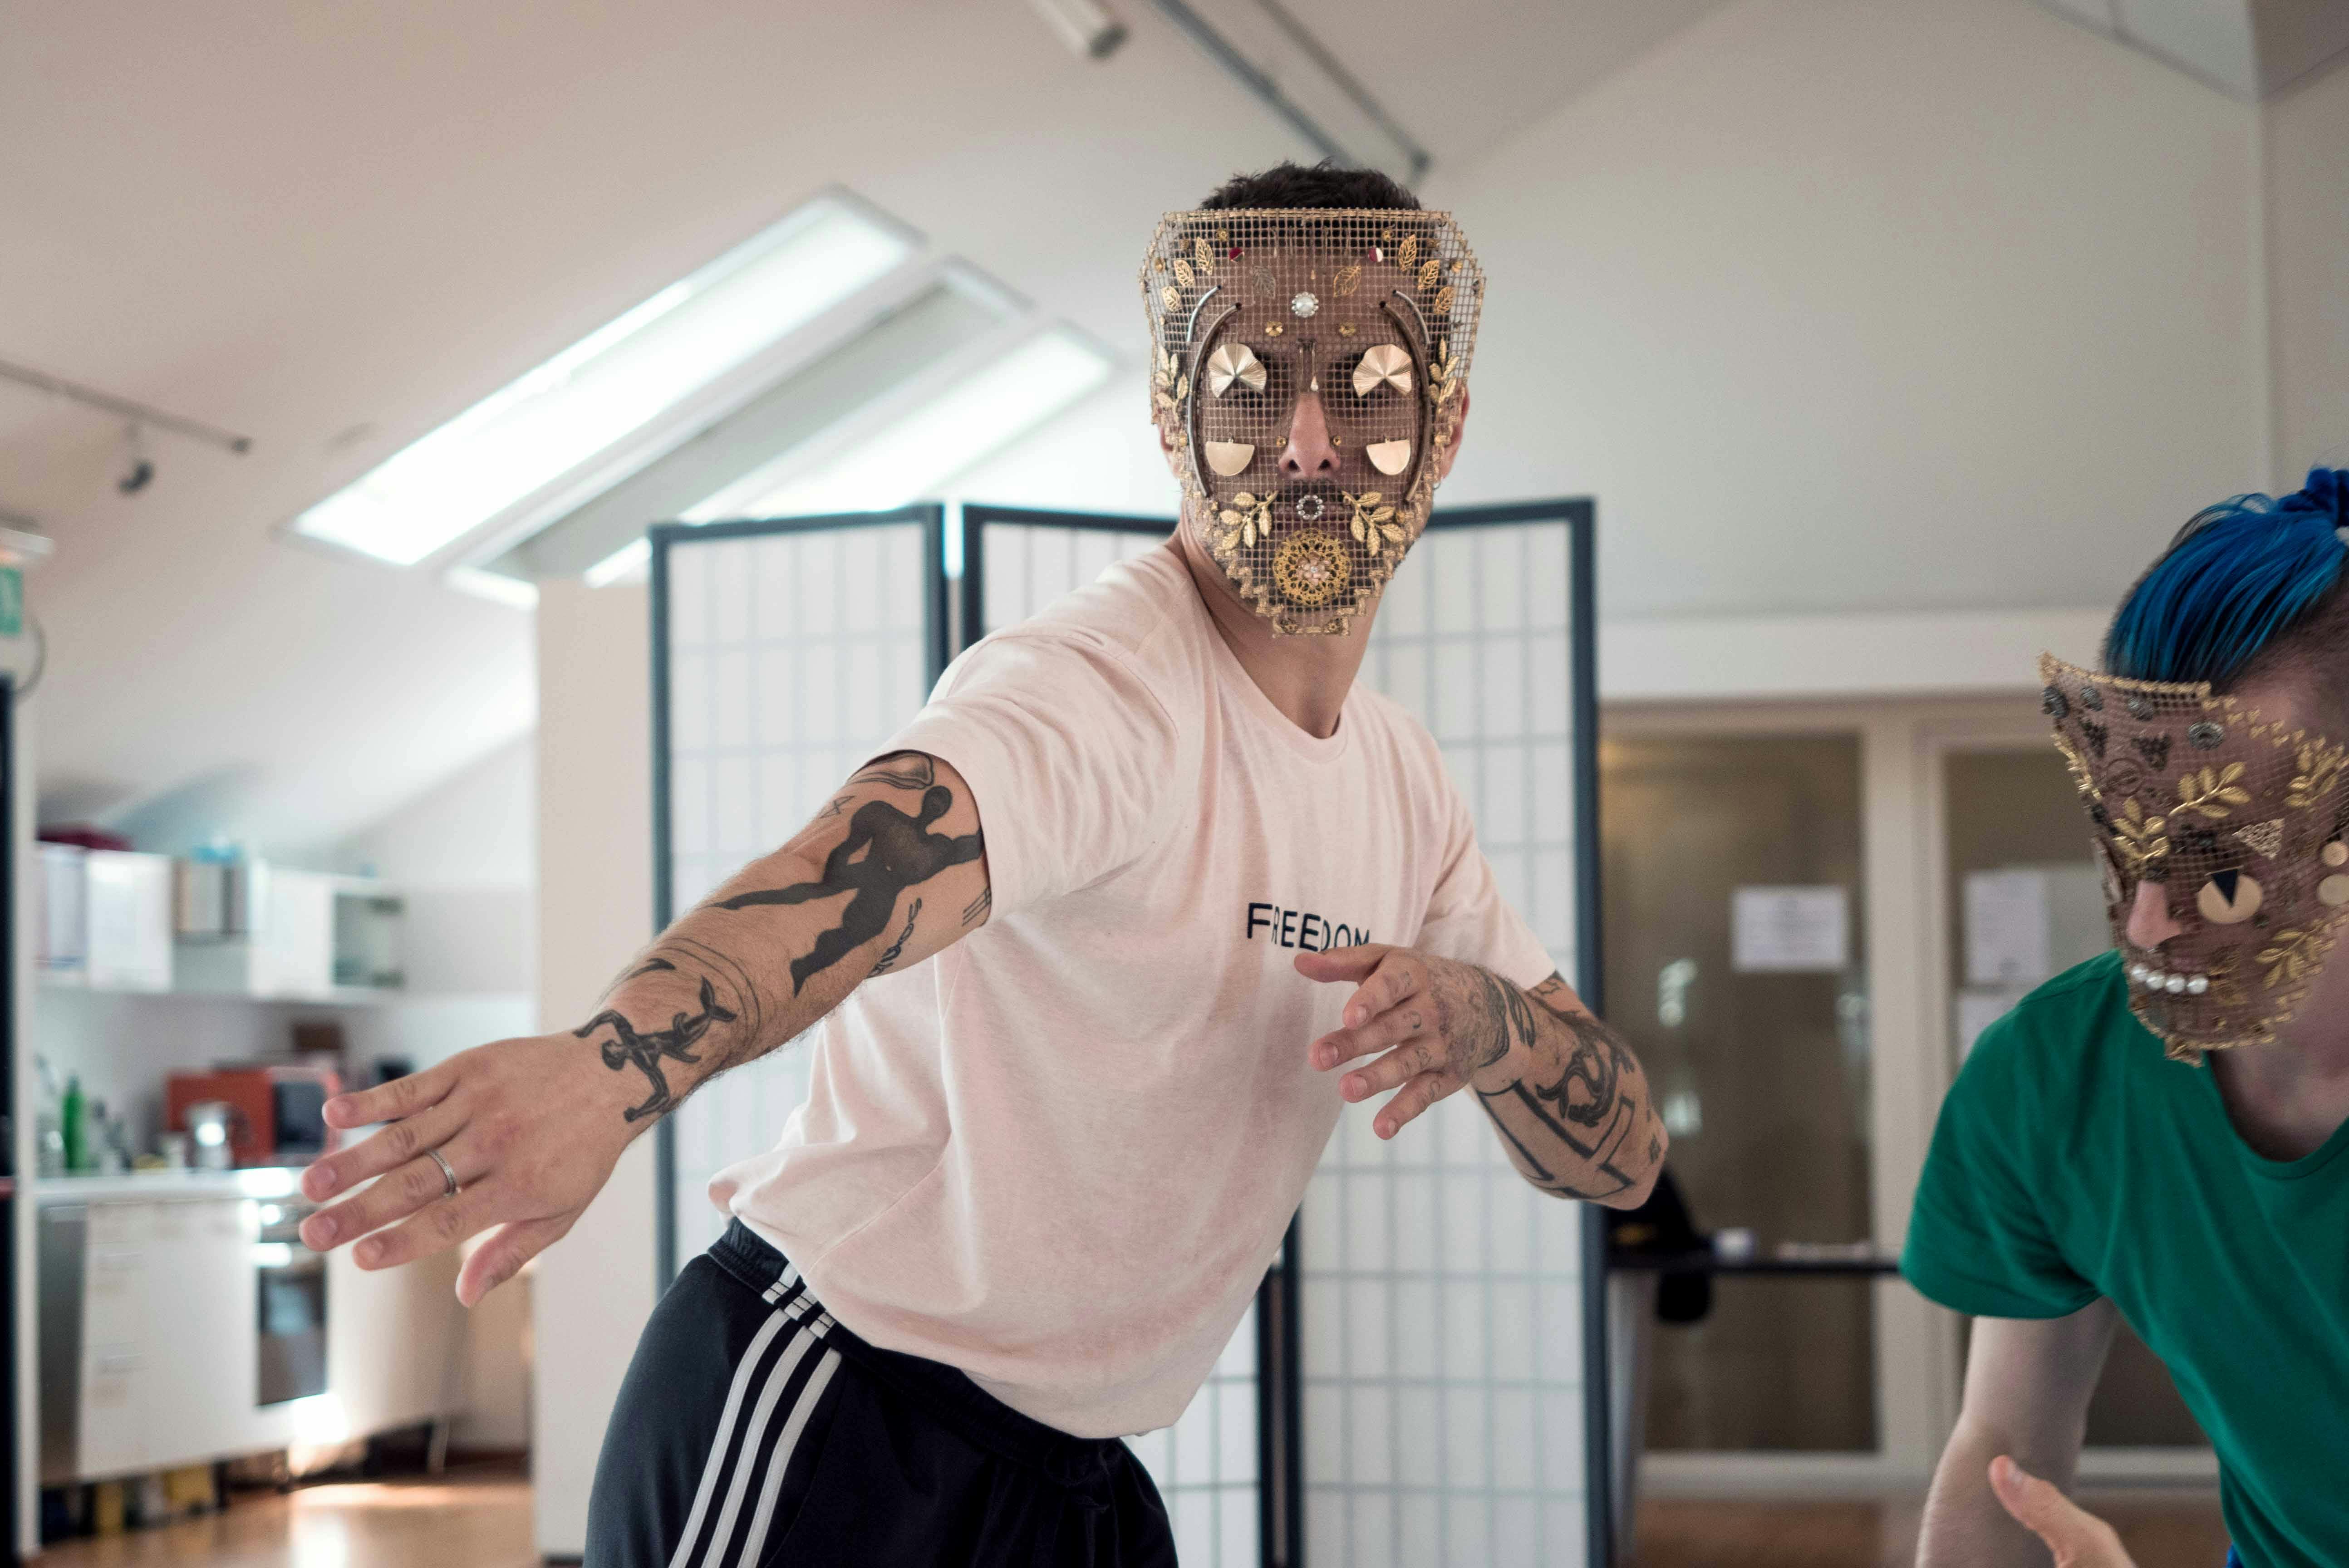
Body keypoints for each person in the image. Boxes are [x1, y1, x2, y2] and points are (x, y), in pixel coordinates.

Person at [291, 162, 1667, 1567]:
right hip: (833, 1414)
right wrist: (606, 1070)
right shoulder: (1098, 690)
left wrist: (1494, 1024)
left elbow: (1623, 1157)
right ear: (1173, 415)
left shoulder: (1402, 782)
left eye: (1364, 382)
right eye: (1255, 383)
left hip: (1073, 1478)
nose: (1308, 440)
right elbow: (851, 878)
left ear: (1442, 433)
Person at [1905, 467, 2349, 1568]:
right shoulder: (2053, 1078)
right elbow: (2005, 1449)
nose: (2149, 923)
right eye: (2129, 844)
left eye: (2225, 864)